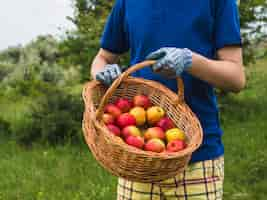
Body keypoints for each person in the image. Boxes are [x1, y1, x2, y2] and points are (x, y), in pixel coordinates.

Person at [91, 0, 245, 199]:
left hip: (197, 158)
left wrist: (190, 61)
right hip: (138, 158)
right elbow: (102, 58)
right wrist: (100, 72)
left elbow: (236, 79)